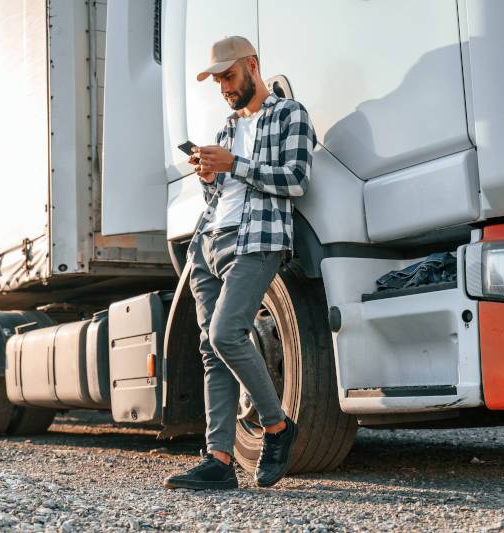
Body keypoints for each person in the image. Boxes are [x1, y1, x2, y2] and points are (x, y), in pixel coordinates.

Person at [163, 36, 315, 490]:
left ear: (252, 66)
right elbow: (223, 196)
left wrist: (236, 163)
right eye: (217, 81)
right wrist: (211, 176)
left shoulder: (291, 115)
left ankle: (277, 426)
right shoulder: (228, 128)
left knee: (225, 333)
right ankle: (219, 460)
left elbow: (296, 180)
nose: (224, 87)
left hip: (256, 240)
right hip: (208, 242)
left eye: (228, 76)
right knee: (211, 351)